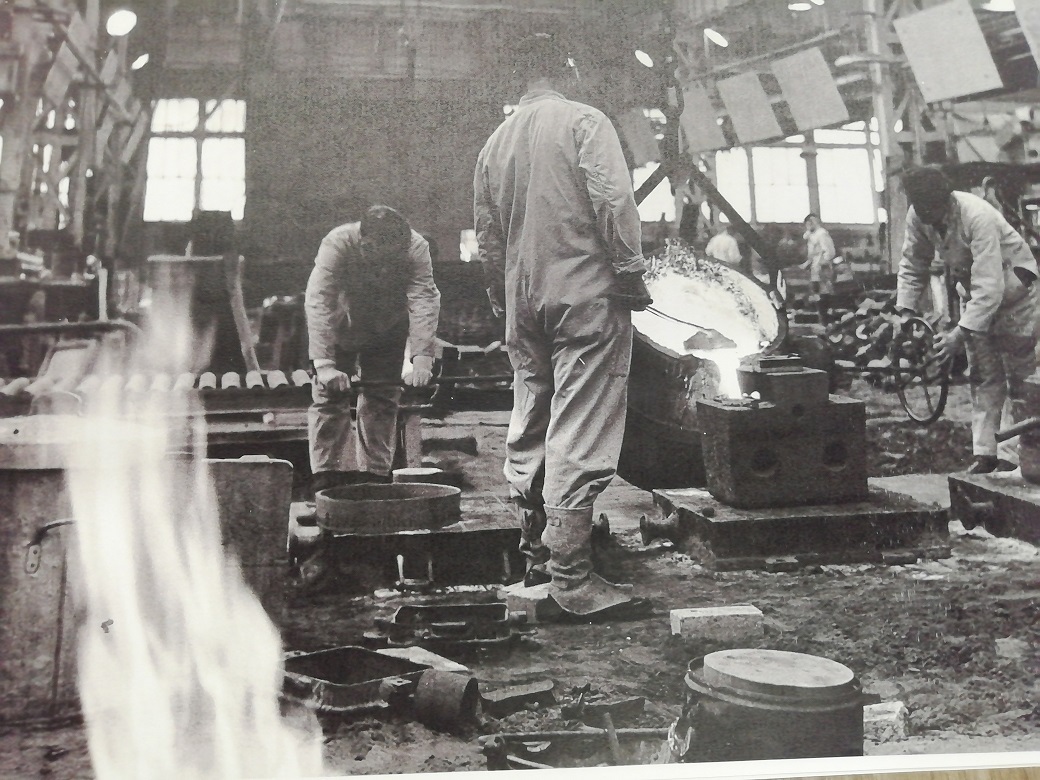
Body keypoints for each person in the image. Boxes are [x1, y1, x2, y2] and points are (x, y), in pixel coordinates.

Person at [473, 33, 652, 620]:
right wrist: (629, 271)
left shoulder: (495, 143)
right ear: (567, 69)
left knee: (532, 415)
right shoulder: (584, 121)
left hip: (523, 299)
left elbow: (488, 235)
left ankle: (534, 557)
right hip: (584, 296)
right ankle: (571, 579)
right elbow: (613, 200)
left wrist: (503, 302)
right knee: (580, 422)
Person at [896, 166, 1040, 474]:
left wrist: (957, 335)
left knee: (1020, 380)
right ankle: (986, 453)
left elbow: (991, 286)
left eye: (931, 209)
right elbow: (913, 263)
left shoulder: (977, 215)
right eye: (921, 209)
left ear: (946, 199)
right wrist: (906, 312)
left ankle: (1018, 458)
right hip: (976, 295)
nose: (926, 216)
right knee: (983, 376)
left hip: (1015, 294)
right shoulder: (919, 215)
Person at [305, 205, 441, 493]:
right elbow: (319, 300)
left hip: (388, 327)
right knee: (330, 397)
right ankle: (326, 479)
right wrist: (324, 364)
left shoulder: (416, 248)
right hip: (342, 324)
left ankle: (375, 478)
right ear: (366, 246)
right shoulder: (337, 243)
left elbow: (423, 298)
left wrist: (422, 356)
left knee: (381, 397)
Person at [801, 213, 837, 327]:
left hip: (822, 268)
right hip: (815, 267)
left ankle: (827, 321)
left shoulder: (822, 234)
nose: (810, 225)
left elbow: (829, 251)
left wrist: (823, 264)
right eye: (808, 223)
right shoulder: (811, 235)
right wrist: (808, 263)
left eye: (812, 222)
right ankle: (822, 318)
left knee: (824, 292)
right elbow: (813, 253)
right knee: (817, 292)